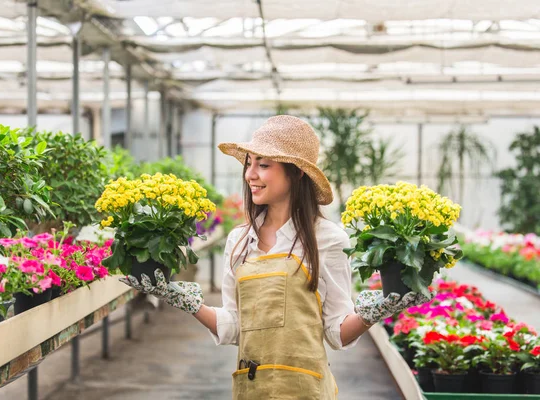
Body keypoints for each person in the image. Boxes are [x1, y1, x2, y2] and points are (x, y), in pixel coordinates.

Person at [121, 115, 430, 399]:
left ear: (296, 173)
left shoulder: (328, 239)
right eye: (249, 163)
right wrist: (180, 298)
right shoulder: (239, 241)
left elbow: (336, 332)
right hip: (251, 389)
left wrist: (378, 309)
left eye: (263, 165)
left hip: (306, 390)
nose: (250, 174)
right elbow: (233, 326)